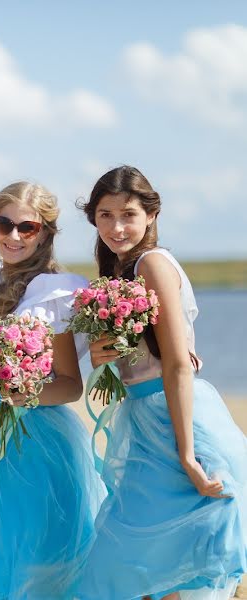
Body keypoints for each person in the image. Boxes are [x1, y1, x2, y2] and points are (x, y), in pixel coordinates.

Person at [77, 165, 247, 600]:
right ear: (93, 219)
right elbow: (141, 356)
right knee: (149, 565)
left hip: (174, 422)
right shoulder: (118, 272)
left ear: (151, 214)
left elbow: (175, 365)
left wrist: (187, 455)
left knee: (145, 563)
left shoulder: (152, 263)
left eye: (129, 214)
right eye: (105, 215)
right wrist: (103, 355)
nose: (117, 226)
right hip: (143, 419)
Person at [0, 182, 105, 599]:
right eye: (5, 223)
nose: (14, 235)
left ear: (45, 233)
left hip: (37, 440)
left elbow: (70, 385)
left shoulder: (53, 293)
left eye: (28, 226)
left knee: (38, 559)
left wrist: (27, 393)